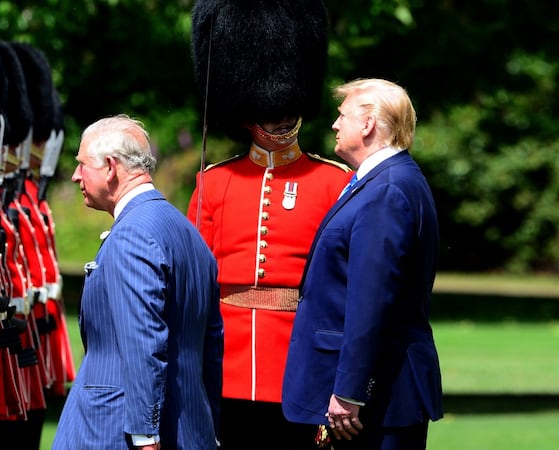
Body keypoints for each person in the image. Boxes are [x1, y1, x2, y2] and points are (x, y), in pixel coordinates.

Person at [188, 1, 352, 448]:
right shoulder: (214, 181)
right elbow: (195, 278)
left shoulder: (333, 182)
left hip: (299, 353)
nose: (279, 119)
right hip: (226, 354)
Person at [282, 78, 444, 450]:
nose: (335, 124)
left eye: (343, 116)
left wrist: (351, 391)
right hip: (378, 393)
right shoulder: (382, 182)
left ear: (368, 124)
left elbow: (370, 300)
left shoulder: (386, 189)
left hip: (378, 398)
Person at [53, 115, 223, 450]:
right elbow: (212, 344)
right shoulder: (185, 230)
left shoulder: (132, 234)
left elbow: (143, 339)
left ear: (110, 167)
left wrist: (145, 433)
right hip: (190, 425)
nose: (75, 176)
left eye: (82, 165)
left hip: (117, 429)